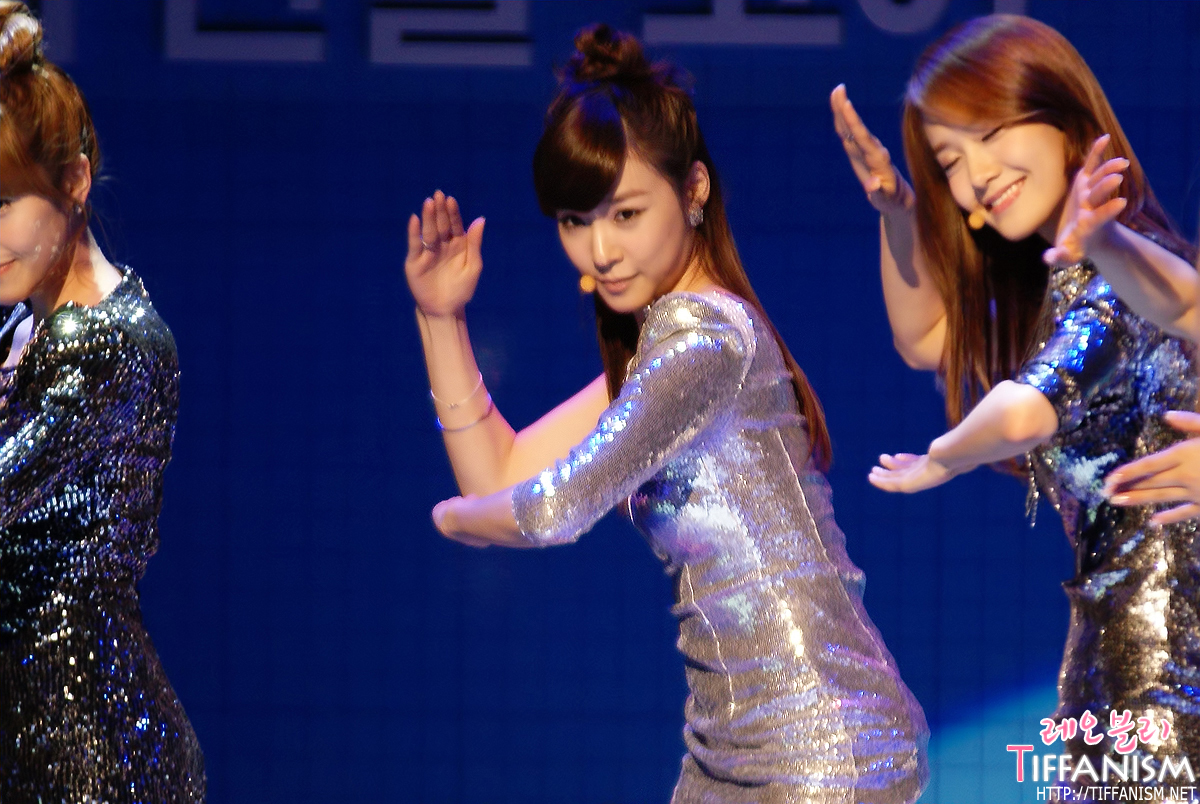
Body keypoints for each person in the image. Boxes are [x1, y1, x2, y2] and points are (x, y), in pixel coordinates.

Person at [409, 24, 928, 803]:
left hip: (820, 751)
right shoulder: (666, 352)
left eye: (625, 214)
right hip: (732, 748)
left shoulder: (705, 343)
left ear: (694, 191)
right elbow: (504, 474)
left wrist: (453, 519)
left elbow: (548, 508)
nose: (599, 250)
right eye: (576, 221)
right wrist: (440, 319)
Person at [832, 13, 1199, 785]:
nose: (977, 174)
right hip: (1126, 674)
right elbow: (924, 337)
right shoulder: (1072, 284)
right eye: (950, 160)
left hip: (1166, 688)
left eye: (991, 131)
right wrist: (898, 213)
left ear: (1064, 118)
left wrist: (943, 457)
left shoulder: (1115, 283)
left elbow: (1028, 409)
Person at [0, 3, 205, 799]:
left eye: (3, 205)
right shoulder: (22, 323)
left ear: (74, 182)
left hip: (93, 755)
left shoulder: (112, 345)